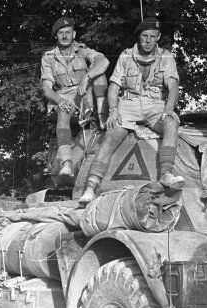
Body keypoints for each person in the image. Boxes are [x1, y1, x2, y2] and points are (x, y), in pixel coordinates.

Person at [78, 17, 183, 204]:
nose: (148, 40)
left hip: (154, 105)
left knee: (171, 123)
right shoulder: (126, 55)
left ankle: (166, 173)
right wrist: (113, 110)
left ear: (158, 37)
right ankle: (90, 187)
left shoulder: (166, 56)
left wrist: (168, 109)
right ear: (139, 37)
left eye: (152, 36)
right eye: (144, 36)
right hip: (129, 103)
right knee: (110, 136)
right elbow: (114, 86)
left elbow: (173, 86)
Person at [41, 17, 110, 184]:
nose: (65, 36)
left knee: (99, 74)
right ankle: (66, 163)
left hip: (86, 93)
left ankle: (102, 117)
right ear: (56, 36)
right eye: (61, 33)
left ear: (74, 34)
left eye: (68, 32)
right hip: (64, 95)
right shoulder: (49, 57)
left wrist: (87, 77)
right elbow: (46, 88)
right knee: (63, 114)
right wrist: (58, 100)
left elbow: (103, 61)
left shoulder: (83, 51)